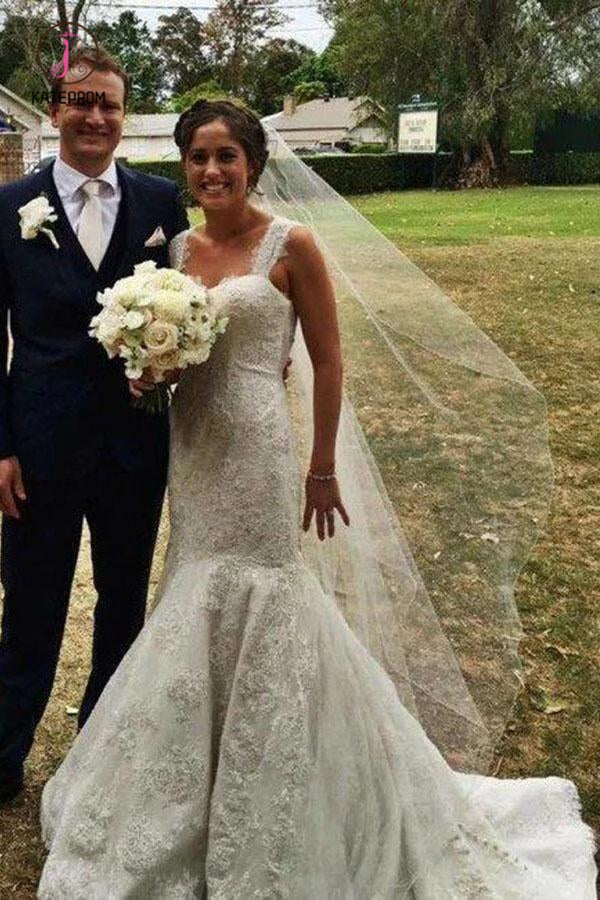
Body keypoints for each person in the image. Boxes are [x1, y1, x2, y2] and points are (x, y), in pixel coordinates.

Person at [37, 100, 597, 897]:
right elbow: (178, 357)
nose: (211, 171)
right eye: (198, 157)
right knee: (195, 589)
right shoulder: (177, 249)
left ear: (253, 164)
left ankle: (284, 780)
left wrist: (322, 466)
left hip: (260, 450)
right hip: (194, 448)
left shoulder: (291, 243)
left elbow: (328, 360)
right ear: (185, 167)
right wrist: (147, 370)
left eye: (226, 156)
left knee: (269, 591)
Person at [0, 46, 189, 805]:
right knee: (31, 603)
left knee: (122, 603)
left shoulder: (160, 202)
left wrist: (169, 368)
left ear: (124, 113)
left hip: (134, 443)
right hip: (38, 446)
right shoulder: (10, 205)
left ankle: (101, 755)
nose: (95, 116)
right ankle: (4, 754)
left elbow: (191, 309)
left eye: (108, 102)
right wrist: (1, 447)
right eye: (80, 101)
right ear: (55, 111)